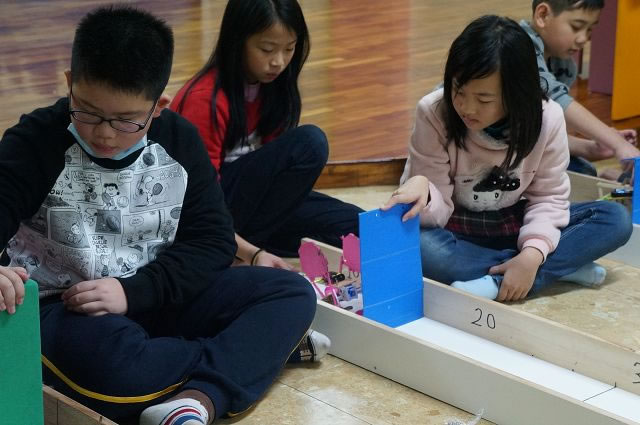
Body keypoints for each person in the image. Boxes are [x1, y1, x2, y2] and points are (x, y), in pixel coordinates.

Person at [0, 5, 316, 424]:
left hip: (153, 294)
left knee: (291, 292)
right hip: (67, 310)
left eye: (126, 120)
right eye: (88, 111)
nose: (105, 133)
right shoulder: (34, 141)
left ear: (159, 106)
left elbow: (213, 241)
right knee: (121, 374)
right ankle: (253, 352)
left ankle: (201, 398)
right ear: (70, 82)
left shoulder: (179, 141)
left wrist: (135, 292)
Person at [383, 15, 632, 302]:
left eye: (484, 99)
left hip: (514, 221)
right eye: (458, 90)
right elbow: (436, 212)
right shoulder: (434, 111)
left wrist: (532, 253)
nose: (466, 107)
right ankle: (555, 269)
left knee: (615, 219)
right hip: (454, 224)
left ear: (515, 94)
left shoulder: (547, 118)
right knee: (419, 248)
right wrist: (424, 192)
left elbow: (548, 199)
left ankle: (503, 278)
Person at [170, 0, 363, 264]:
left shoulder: (275, 88)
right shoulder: (204, 99)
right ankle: (234, 249)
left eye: (289, 49)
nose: (279, 62)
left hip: (256, 212)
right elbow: (197, 199)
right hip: (211, 212)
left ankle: (253, 243)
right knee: (310, 143)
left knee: (355, 226)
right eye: (267, 49)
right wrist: (250, 253)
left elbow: (279, 182)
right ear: (238, 41)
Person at [520, 0, 638, 180]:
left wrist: (592, 148)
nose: (584, 38)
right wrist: (616, 143)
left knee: (586, 170)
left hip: (524, 149)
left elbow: (544, 135)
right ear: (543, 15)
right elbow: (556, 99)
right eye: (576, 26)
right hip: (492, 158)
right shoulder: (520, 49)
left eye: (590, 29)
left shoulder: (563, 63)